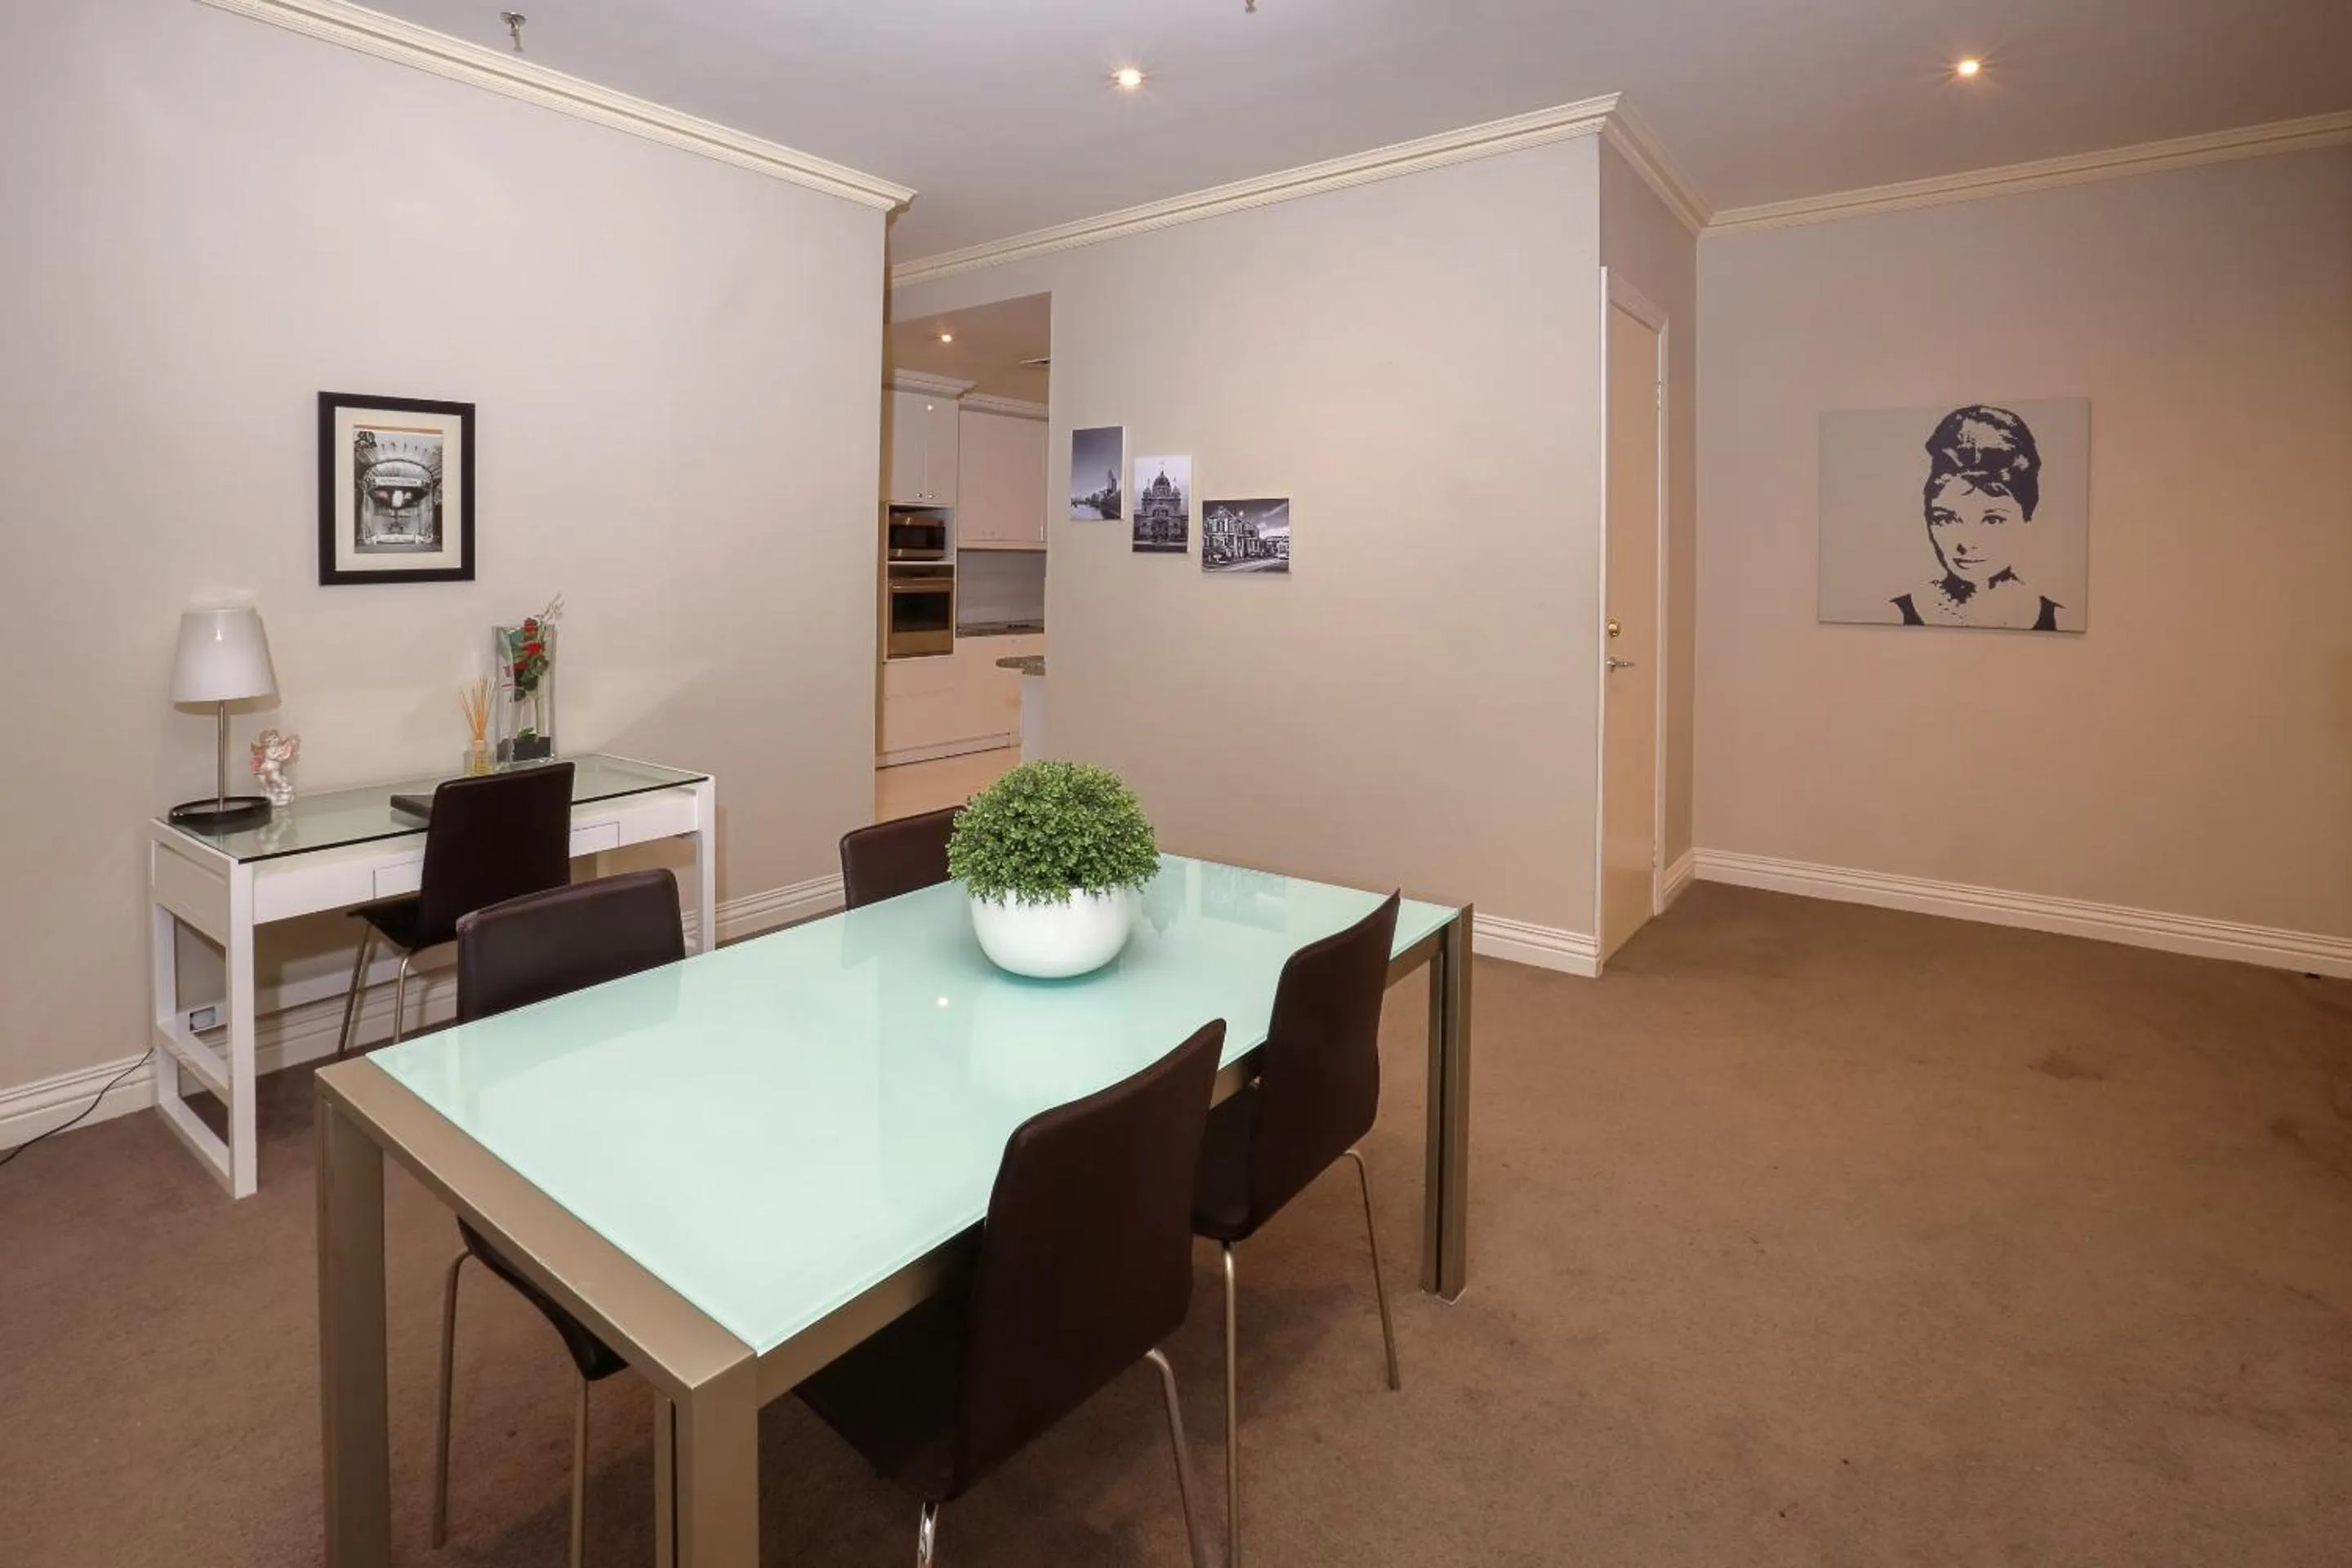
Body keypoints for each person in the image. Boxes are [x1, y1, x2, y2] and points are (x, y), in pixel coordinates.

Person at [1891, 404, 2066, 630]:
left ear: (2027, 518)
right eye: (1946, 519)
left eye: (1992, 520)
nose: (1967, 544)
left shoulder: (2061, 620)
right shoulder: (1895, 615)